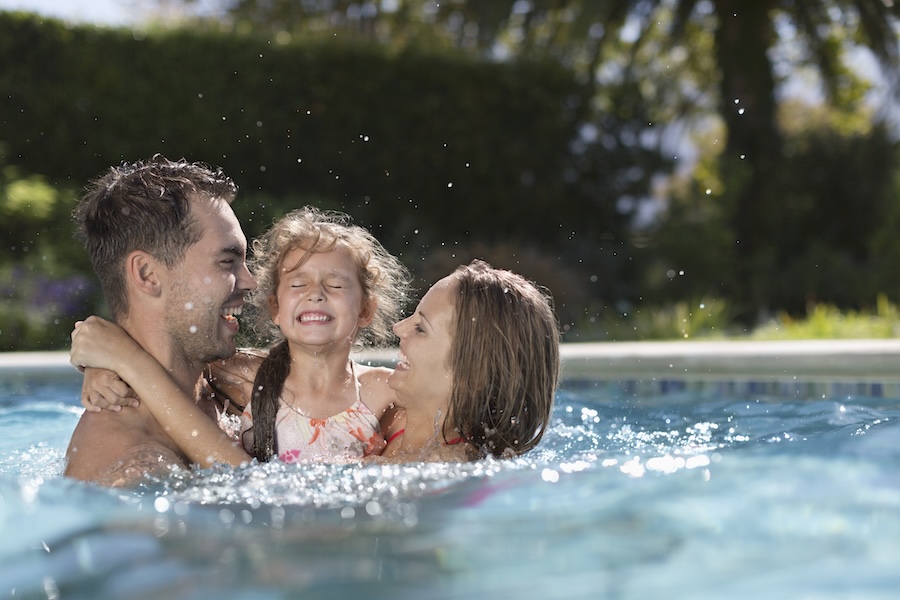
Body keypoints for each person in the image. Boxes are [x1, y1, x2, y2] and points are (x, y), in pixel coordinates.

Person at [73, 259, 561, 464]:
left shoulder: (443, 465)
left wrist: (131, 362)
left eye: (421, 326)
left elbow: (244, 482)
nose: (398, 329)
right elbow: (241, 373)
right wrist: (111, 362)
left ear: (470, 370)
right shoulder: (400, 419)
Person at [76, 207, 411, 465]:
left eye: (335, 285)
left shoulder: (384, 392)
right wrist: (104, 367)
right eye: (298, 284)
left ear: (366, 310)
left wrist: (115, 359)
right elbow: (171, 361)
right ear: (275, 308)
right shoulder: (249, 378)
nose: (315, 294)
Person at [64, 155, 257, 487]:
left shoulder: (217, 389)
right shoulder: (135, 470)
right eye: (227, 261)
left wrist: (125, 361)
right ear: (147, 274)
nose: (249, 281)